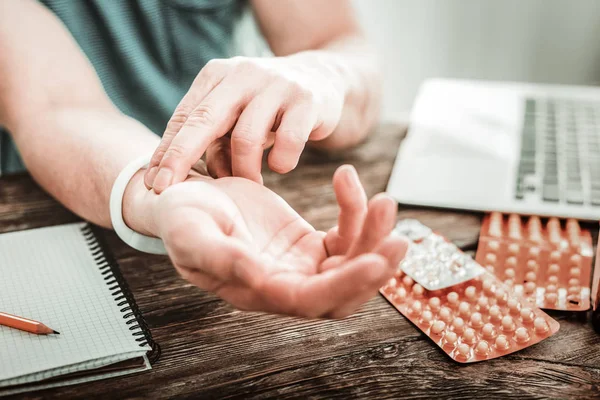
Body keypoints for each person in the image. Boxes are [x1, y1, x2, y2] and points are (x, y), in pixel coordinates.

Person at [0, 0, 408, 318]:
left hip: (243, 198)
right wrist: (166, 191)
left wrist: (323, 74)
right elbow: (55, 106)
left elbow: (340, 43)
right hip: (53, 216)